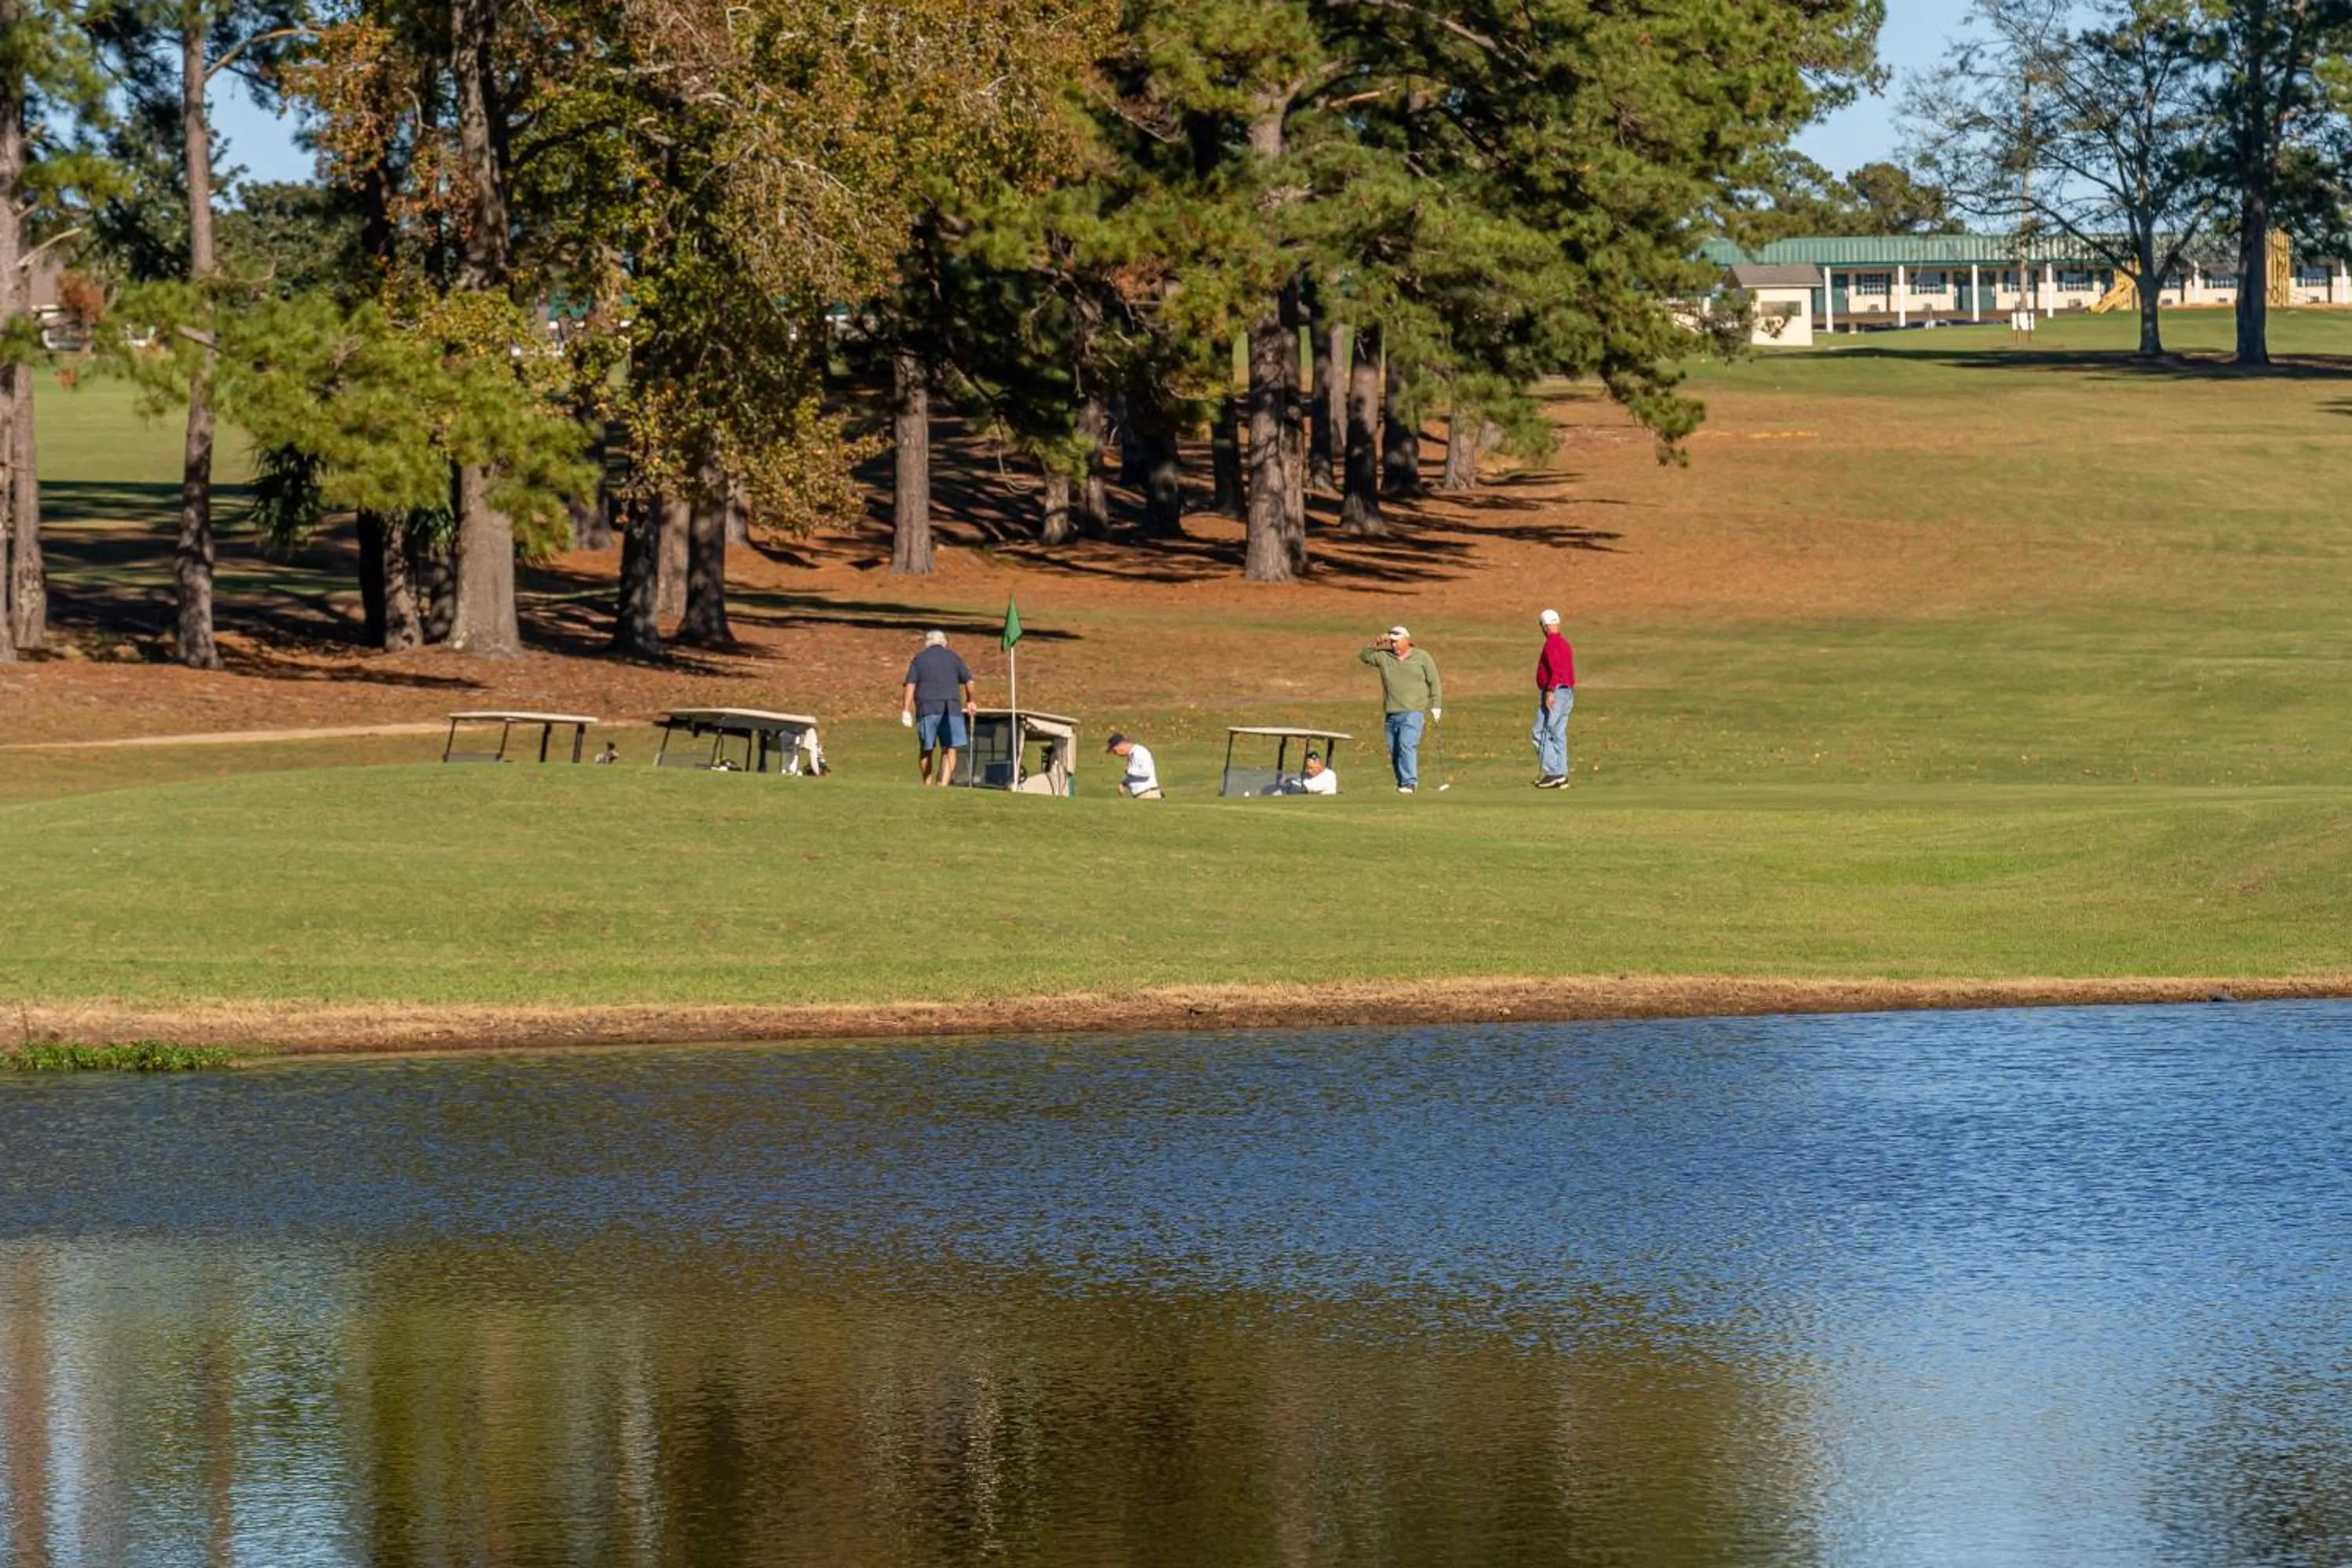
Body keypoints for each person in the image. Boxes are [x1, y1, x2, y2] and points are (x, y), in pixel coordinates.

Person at [1358, 625, 1442, 793]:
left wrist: (1436, 705)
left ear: (1407, 641)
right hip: (1391, 712)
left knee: (1406, 745)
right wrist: (1376, 642)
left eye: (1397, 642)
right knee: (1395, 750)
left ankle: (1410, 782)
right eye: (1391, 642)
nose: (1394, 645)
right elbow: (1364, 656)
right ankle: (1402, 782)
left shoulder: (1422, 657)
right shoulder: (1384, 657)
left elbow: (1434, 682)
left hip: (1413, 711)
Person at [900, 630, 975, 786]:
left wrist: (906, 710)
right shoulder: (954, 658)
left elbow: (910, 684)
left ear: (927, 643)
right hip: (951, 708)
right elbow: (969, 681)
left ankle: (927, 783)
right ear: (944, 642)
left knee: (927, 748)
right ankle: (944, 784)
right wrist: (971, 700)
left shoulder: (919, 659)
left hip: (927, 708)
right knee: (950, 747)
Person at [1530, 608, 1576, 789]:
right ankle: (1561, 775)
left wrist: (1550, 691)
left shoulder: (1551, 644)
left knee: (1539, 732)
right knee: (1558, 734)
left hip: (1555, 692)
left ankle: (1553, 772)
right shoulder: (1564, 643)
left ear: (1544, 625)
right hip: (1567, 692)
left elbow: (1556, 670)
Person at [1105, 731, 1161, 799]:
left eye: (1115, 751)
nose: (1115, 754)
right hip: (1142, 795)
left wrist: (1130, 770)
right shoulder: (1132, 755)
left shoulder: (1140, 752)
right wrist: (1124, 783)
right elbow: (1135, 776)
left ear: (1121, 745)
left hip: (1148, 794)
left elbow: (1146, 772)